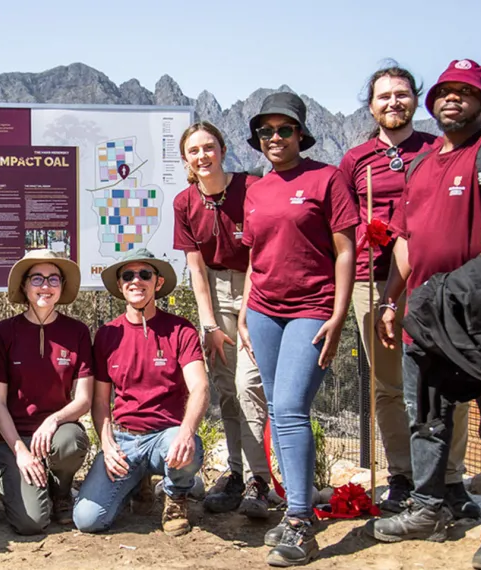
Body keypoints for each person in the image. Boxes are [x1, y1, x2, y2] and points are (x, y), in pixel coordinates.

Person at [371, 59, 481, 570]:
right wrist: (392, 298)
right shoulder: (422, 166)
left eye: (465, 93)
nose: (452, 99)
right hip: (425, 312)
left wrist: (464, 286)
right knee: (427, 417)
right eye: (445, 91)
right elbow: (405, 240)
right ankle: (427, 507)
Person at [338, 65, 476, 516]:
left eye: (401, 94)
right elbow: (339, 222)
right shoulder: (355, 160)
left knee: (448, 381)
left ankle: (450, 478)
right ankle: (402, 473)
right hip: (370, 279)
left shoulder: (439, 151)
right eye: (383, 96)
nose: (393, 102)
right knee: (388, 385)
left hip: (431, 280)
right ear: (371, 105)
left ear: (415, 99)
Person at [237, 92, 358, 566]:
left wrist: (338, 314)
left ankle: (302, 522)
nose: (274, 138)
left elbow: (346, 250)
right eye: (265, 131)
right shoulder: (256, 189)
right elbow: (254, 254)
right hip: (264, 310)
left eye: (283, 129)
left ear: (301, 134)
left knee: (288, 407)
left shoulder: (327, 178)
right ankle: (293, 509)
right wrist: (247, 307)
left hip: (312, 308)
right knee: (276, 404)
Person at [172, 121, 274, 518]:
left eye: (209, 147)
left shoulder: (251, 188)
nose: (203, 156)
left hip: (255, 286)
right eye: (194, 151)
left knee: (250, 384)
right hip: (213, 293)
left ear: (223, 149)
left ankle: (259, 480)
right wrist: (209, 324)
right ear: (186, 159)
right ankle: (236, 474)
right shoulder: (184, 202)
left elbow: (258, 255)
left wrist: (246, 313)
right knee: (226, 389)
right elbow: (196, 269)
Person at [73, 249, 209, 538]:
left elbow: (200, 387)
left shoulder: (180, 330)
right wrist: (107, 445)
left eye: (144, 274)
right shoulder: (107, 335)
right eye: (128, 276)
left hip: (167, 437)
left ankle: (175, 497)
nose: (136, 281)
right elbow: (100, 402)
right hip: (125, 440)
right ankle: (136, 482)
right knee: (87, 520)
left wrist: (186, 432)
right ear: (121, 286)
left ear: (158, 283)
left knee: (190, 448)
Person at [0, 250, 94, 535]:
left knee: (71, 441)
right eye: (37, 278)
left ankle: (60, 491)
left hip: (57, 434)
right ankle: (10, 477)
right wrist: (20, 451)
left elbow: (84, 399)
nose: (45, 286)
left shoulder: (77, 332)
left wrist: (54, 420)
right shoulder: (5, 332)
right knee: (30, 523)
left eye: (53, 279)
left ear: (61, 286)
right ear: (24, 286)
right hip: (16, 438)